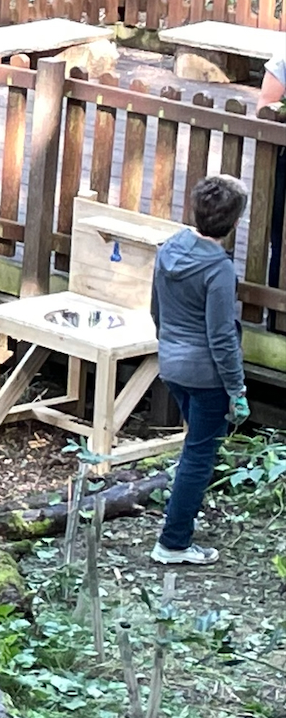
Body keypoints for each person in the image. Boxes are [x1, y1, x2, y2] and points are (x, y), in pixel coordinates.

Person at [149, 174, 251, 566]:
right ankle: (174, 542)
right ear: (235, 222)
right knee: (198, 456)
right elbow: (221, 337)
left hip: (171, 365)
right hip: (206, 376)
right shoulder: (219, 270)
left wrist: (168, 347)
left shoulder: (169, 248)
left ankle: (182, 510)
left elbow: (156, 309)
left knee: (194, 446)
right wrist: (237, 389)